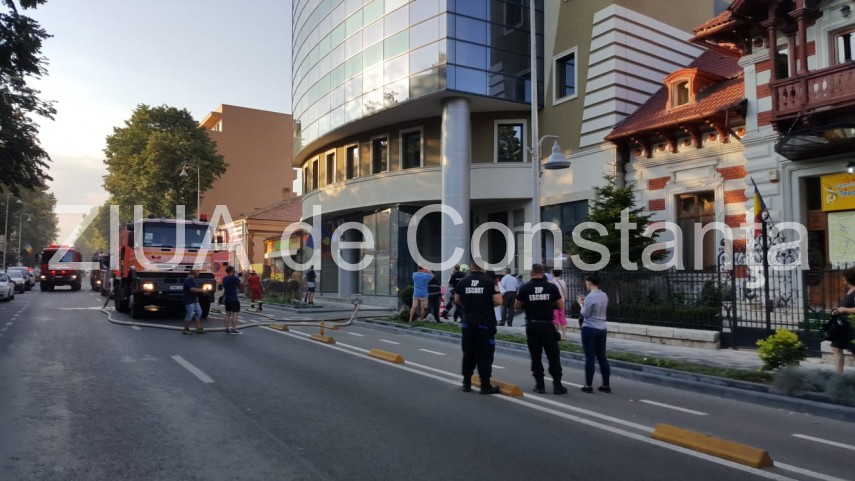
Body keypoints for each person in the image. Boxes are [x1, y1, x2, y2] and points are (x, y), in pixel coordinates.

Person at [515, 263, 567, 394]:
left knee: (536, 356)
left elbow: (517, 306)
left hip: (532, 325)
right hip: (548, 325)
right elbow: (560, 306)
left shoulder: (525, 288)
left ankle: (540, 385)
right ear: (543, 273)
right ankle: (557, 385)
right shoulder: (551, 287)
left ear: (531, 273)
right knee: (553, 355)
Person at [455, 260, 503, 394]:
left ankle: (466, 383)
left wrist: (469, 304)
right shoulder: (489, 281)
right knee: (485, 353)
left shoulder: (463, 281)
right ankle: (485, 385)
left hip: (468, 322)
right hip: (484, 322)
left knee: (469, 352)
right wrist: (486, 305)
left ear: (471, 267)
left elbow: (457, 300)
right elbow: (499, 301)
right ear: (483, 267)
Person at [578, 275, 610, 393]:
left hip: (590, 328)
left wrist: (581, 303)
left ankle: (588, 385)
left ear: (590, 283)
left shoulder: (590, 297)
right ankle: (606, 385)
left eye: (586, 283)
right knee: (602, 357)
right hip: (602, 328)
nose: (586, 285)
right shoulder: (604, 295)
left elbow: (585, 314)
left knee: (590, 357)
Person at [830, 267, 855, 374]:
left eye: (844, 277)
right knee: (836, 348)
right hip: (843, 325)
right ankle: (839, 376)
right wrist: (838, 311)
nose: (843, 279)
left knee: (854, 352)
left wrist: (843, 309)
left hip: (852, 326)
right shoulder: (850, 290)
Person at [182, 269, 206, 335]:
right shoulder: (188, 280)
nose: (199, 273)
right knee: (189, 314)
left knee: (199, 312)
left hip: (194, 300)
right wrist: (202, 290)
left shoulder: (193, 280)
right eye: (198, 272)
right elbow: (191, 289)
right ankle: (186, 329)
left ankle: (198, 328)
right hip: (189, 300)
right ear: (194, 273)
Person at [221, 265, 243, 334]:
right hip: (234, 298)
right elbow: (242, 283)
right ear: (232, 271)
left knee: (227, 313)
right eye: (234, 270)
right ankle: (233, 329)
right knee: (235, 313)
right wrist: (245, 275)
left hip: (227, 298)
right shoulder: (234, 278)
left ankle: (226, 329)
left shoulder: (224, 278)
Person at [550, 269, 568, 339]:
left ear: (553, 273)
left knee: (555, 319)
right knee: (562, 318)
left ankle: (555, 335)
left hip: (554, 303)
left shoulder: (552, 282)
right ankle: (564, 336)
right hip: (562, 302)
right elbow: (566, 294)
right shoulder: (563, 281)